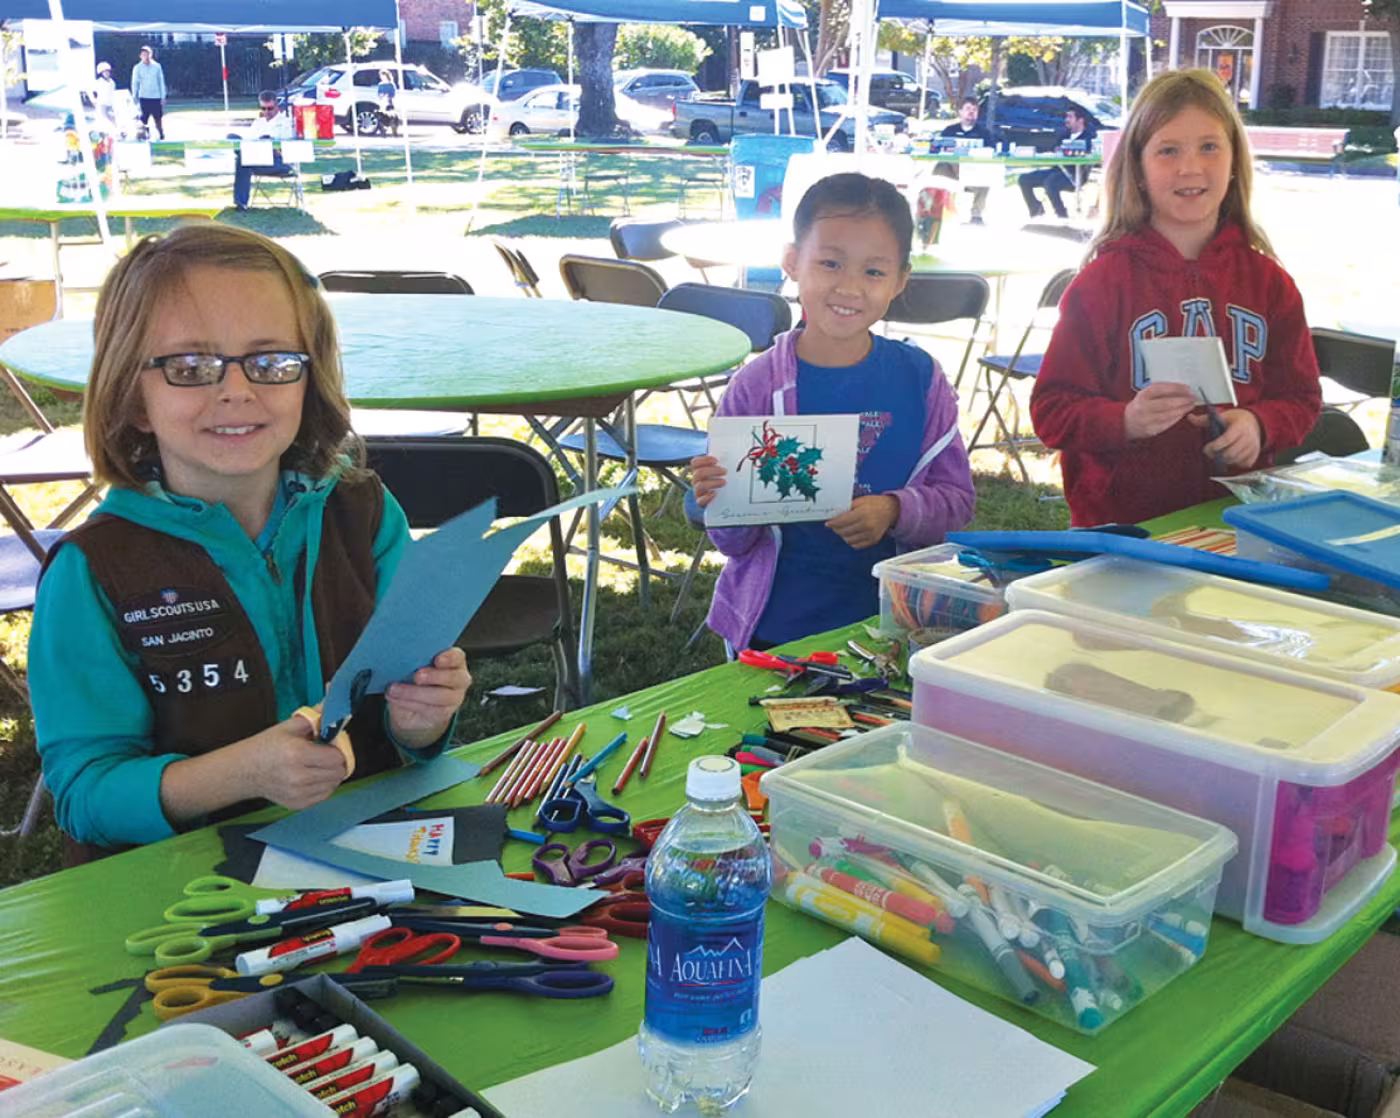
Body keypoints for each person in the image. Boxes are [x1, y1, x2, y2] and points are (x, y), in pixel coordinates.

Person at [28, 225, 471, 859]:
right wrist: (244, 771)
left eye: (271, 362)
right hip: (179, 897)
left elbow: (408, 721)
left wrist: (421, 722)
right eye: (188, 367)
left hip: (367, 865)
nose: (236, 390)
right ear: (134, 399)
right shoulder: (94, 571)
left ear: (307, 379)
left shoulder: (364, 513)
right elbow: (82, 794)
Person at [690, 172, 976, 651]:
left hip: (891, 623)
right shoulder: (757, 386)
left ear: (900, 281)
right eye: (830, 263)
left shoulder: (921, 378)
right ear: (792, 262)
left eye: (873, 271)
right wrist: (720, 500)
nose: (849, 287)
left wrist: (895, 510)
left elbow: (958, 501)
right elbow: (734, 543)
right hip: (773, 627)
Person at [1028, 68, 1321, 527]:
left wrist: (1259, 425)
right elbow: (1052, 411)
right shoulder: (1102, 284)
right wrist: (1124, 420)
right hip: (1122, 532)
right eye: (1168, 150)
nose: (1191, 167)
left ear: (1234, 160)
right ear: (1139, 168)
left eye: (1209, 146)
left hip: (1237, 526)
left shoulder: (1270, 284)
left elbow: (1301, 398)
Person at [1018, 106, 1097, 219]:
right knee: (1024, 179)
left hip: (1075, 175)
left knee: (1050, 182)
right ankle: (1036, 212)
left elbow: (1088, 156)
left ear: (1080, 120)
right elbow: (1054, 151)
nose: (1066, 120)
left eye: (1070, 117)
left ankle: (1062, 216)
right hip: (1056, 169)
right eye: (1066, 116)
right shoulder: (1063, 135)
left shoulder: (1089, 138)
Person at [936, 96, 996, 224]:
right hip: (951, 171)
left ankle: (976, 215)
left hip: (974, 171)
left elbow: (990, 153)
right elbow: (939, 150)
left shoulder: (984, 133)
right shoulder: (949, 131)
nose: (971, 112)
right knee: (939, 168)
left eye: (974, 110)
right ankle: (937, 211)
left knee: (987, 175)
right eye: (968, 108)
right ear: (960, 112)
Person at [232, 91, 295, 210]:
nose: (266, 112)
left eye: (270, 108)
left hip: (279, 162)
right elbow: (248, 141)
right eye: (263, 108)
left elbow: (287, 148)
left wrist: (270, 146)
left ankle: (241, 204)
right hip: (255, 158)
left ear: (277, 106)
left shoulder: (286, 123)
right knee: (233, 139)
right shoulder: (258, 123)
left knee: (242, 161)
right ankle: (241, 203)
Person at [131, 45, 167, 140]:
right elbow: (135, 82)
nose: (146, 57)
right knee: (143, 119)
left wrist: (163, 96)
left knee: (158, 118)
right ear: (140, 56)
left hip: (156, 97)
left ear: (151, 55)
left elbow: (161, 82)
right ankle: (144, 136)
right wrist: (134, 95)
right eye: (143, 55)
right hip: (144, 97)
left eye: (147, 55)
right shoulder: (137, 68)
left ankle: (161, 134)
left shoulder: (157, 66)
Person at [92, 60, 116, 129]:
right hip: (101, 105)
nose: (106, 73)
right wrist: (94, 100)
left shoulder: (112, 82)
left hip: (110, 105)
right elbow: (92, 92)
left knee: (113, 121)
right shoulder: (98, 82)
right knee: (103, 122)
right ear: (101, 73)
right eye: (104, 71)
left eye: (108, 71)